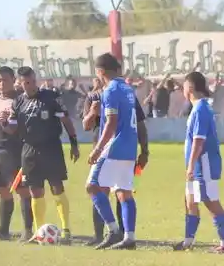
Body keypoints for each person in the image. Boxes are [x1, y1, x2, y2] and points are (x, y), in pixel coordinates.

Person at [8, 66, 81, 242]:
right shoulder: (17, 102)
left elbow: (65, 120)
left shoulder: (51, 97)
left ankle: (66, 230)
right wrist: (4, 123)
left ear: (35, 80)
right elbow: (12, 128)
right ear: (20, 83)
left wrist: (74, 143)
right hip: (29, 150)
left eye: (32, 81)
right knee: (35, 190)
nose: (30, 85)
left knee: (57, 187)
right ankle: (38, 232)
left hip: (51, 148)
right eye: (25, 82)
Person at [82, 80, 148, 245]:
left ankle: (115, 232)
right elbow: (86, 125)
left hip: (110, 148)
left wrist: (145, 150)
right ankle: (114, 236)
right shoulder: (95, 97)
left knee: (96, 187)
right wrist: (92, 113)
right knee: (117, 191)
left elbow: (134, 122)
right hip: (120, 148)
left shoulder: (115, 92)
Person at [174, 71, 224, 252]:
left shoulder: (200, 109)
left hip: (203, 163)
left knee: (210, 201)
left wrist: (191, 165)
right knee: (190, 201)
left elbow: (199, 140)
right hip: (198, 164)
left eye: (184, 85)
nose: (182, 89)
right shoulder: (199, 108)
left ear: (190, 88)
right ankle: (188, 241)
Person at [0, 66, 33, 241]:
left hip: (15, 151)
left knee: (22, 190)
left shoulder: (20, 100)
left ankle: (27, 231)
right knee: (2, 190)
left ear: (13, 80)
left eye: (5, 80)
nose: (2, 84)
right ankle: (3, 231)